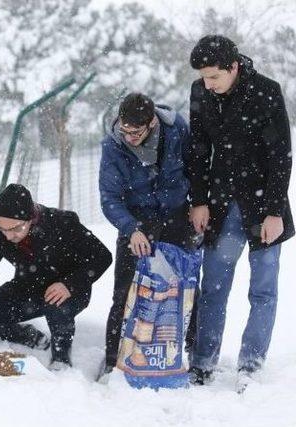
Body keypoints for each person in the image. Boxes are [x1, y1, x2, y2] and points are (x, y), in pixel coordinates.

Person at [186, 35, 293, 389]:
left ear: (233, 67)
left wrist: (275, 211)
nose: (208, 84)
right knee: (214, 285)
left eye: (214, 76)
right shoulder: (200, 93)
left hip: (262, 206)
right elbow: (199, 150)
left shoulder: (265, 91)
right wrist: (199, 200)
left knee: (263, 289)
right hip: (221, 204)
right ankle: (202, 362)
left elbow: (280, 155)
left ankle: (251, 364)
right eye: (203, 76)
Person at [0, 184, 112, 370]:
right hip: (27, 287)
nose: (9, 236)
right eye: (3, 228)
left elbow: (102, 256)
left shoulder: (62, 223)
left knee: (56, 305)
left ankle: (61, 358)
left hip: (68, 291)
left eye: (15, 229)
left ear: (30, 219)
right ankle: (29, 336)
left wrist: (70, 284)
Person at [97, 92, 195, 382]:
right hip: (137, 221)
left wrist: (198, 204)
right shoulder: (113, 146)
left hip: (177, 215)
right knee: (125, 292)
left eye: (135, 132)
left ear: (152, 122)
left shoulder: (177, 130)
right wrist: (131, 229)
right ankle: (114, 359)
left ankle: (184, 352)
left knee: (184, 289)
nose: (129, 137)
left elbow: (197, 167)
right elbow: (109, 198)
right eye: (124, 130)